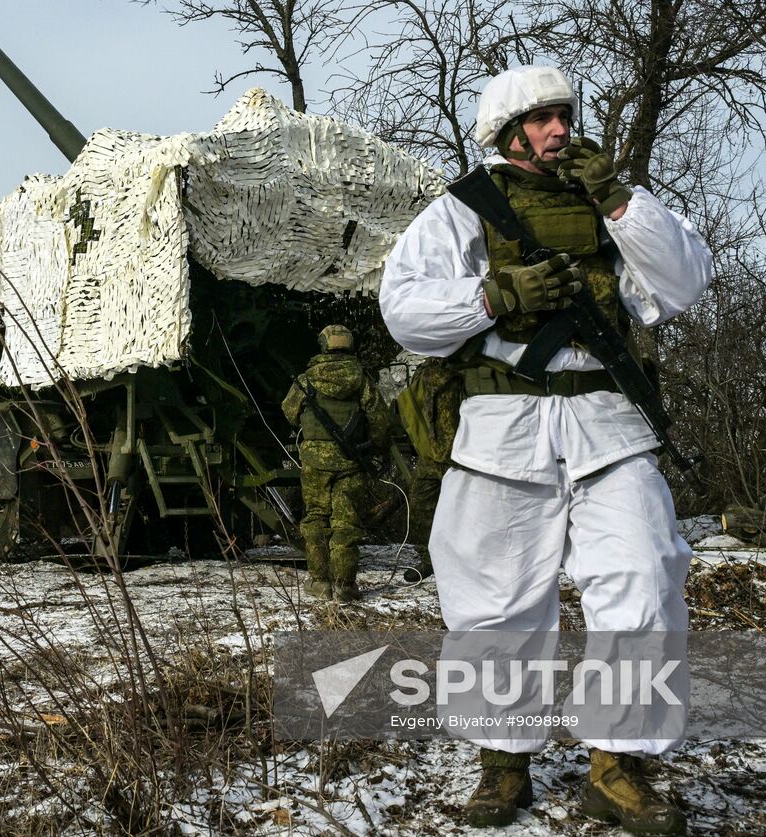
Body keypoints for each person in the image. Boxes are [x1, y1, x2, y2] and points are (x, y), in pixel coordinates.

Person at [379, 65, 711, 834]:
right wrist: (493, 297)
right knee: (494, 599)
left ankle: (618, 767)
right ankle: (502, 765)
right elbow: (404, 310)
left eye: (565, 115)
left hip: (606, 419)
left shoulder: (612, 206)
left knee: (645, 573)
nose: (562, 129)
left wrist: (623, 201)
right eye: (544, 118)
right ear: (507, 132)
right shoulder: (462, 209)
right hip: (503, 424)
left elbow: (686, 281)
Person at [281, 324, 391, 603]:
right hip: (350, 458)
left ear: (323, 346)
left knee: (316, 517)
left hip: (315, 460)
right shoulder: (362, 380)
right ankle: (344, 586)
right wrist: (373, 445)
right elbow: (379, 419)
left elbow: (289, 412)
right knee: (347, 521)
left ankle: (319, 582)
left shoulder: (306, 380)